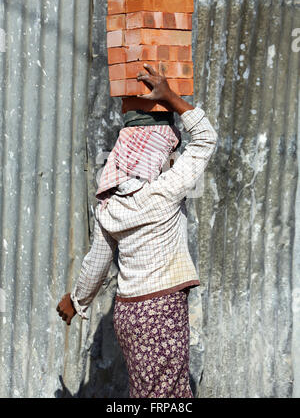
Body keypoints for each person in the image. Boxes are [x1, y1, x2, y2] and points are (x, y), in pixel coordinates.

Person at [56, 63, 218, 398]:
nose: (172, 154)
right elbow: (205, 139)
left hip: (129, 314)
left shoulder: (109, 207)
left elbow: (97, 264)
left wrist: (76, 300)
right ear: (156, 152)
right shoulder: (165, 190)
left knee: (145, 394)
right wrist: (171, 97)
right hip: (161, 312)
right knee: (168, 398)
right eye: (169, 149)